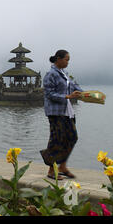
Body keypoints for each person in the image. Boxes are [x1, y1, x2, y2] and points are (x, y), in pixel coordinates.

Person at [40, 50, 83, 180]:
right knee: (56, 139)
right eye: (66, 59)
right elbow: (49, 94)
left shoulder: (65, 74)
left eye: (68, 60)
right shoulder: (51, 74)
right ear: (58, 59)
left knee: (72, 137)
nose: (68, 62)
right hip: (55, 112)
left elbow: (75, 87)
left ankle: (62, 166)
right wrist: (67, 96)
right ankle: (51, 170)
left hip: (67, 111)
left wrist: (87, 95)